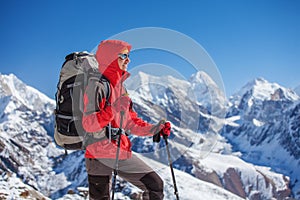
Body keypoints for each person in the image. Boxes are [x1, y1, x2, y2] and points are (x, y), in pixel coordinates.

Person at [82, 39, 171, 200]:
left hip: (119, 150)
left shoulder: (120, 88)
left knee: (155, 185)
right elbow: (89, 124)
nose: (128, 60)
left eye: (128, 56)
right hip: (98, 154)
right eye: (123, 55)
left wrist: (155, 129)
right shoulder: (96, 87)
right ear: (110, 58)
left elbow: (131, 122)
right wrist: (113, 109)